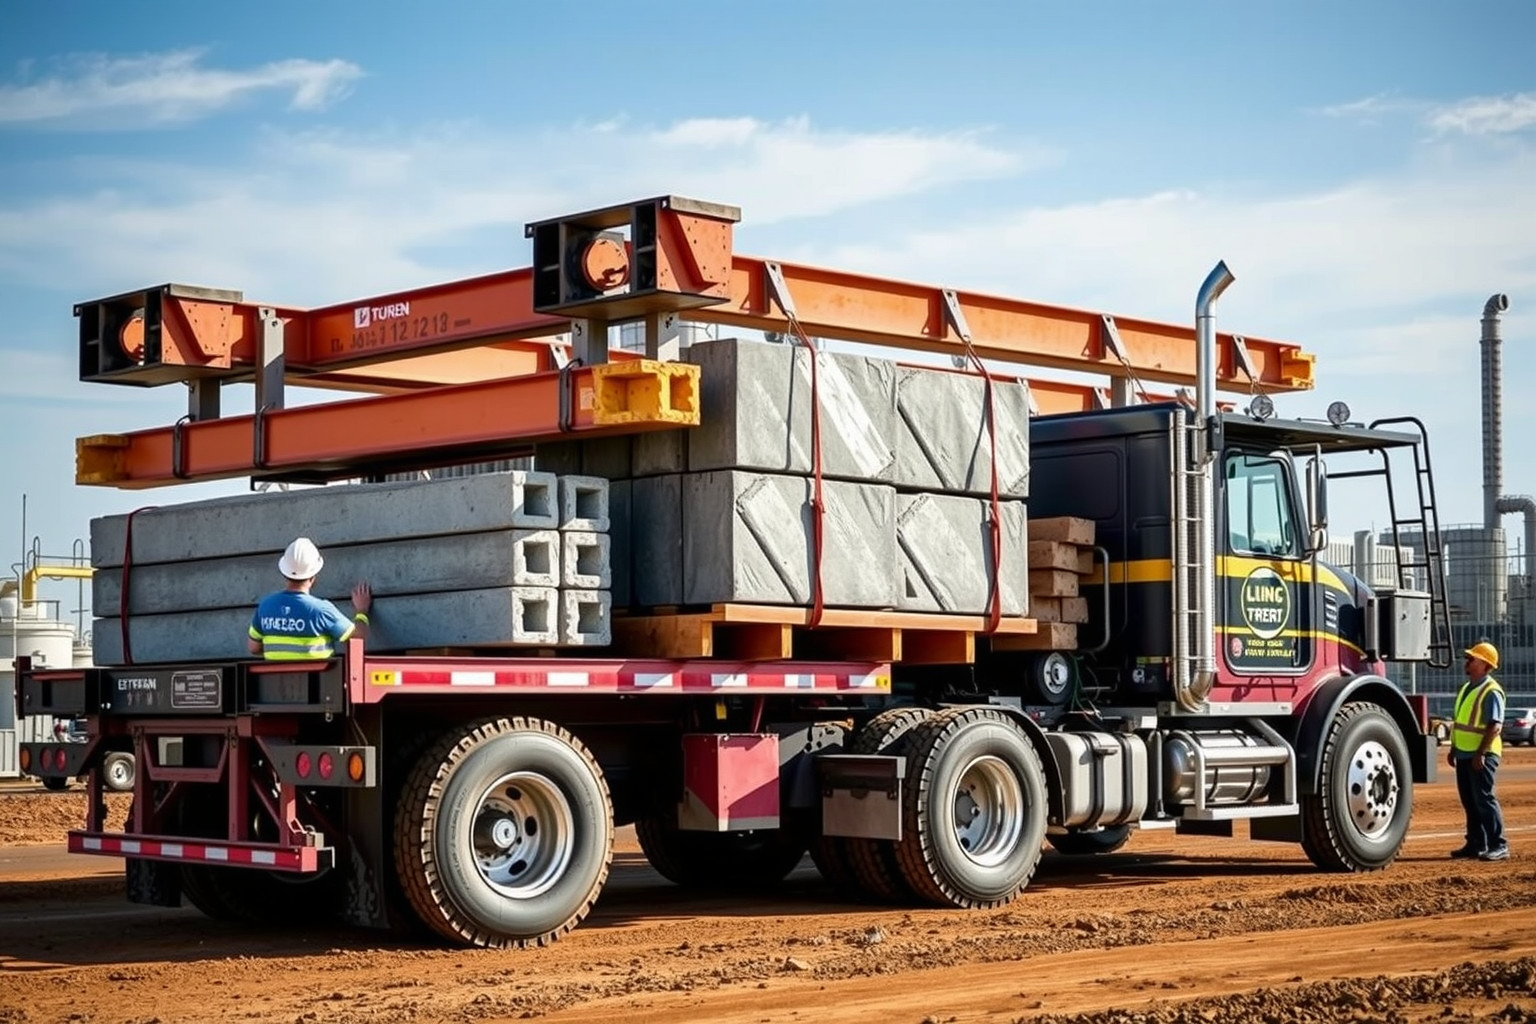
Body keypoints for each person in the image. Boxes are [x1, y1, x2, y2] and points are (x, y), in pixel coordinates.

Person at [248, 537, 372, 661]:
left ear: (285, 574)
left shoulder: (265, 606)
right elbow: (357, 638)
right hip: (319, 678)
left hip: (275, 679)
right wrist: (361, 611)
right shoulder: (321, 610)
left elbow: (253, 647)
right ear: (313, 577)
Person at [1447, 641, 1508, 861]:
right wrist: (1454, 748)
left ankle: (1498, 845)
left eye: (1472, 658)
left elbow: (1495, 726)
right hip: (1464, 753)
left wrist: (1480, 753)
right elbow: (1460, 722)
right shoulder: (1466, 688)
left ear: (1484, 664)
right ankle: (1476, 843)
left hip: (1482, 754)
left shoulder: (1491, 691)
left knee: (1484, 799)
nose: (1467, 662)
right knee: (1470, 801)